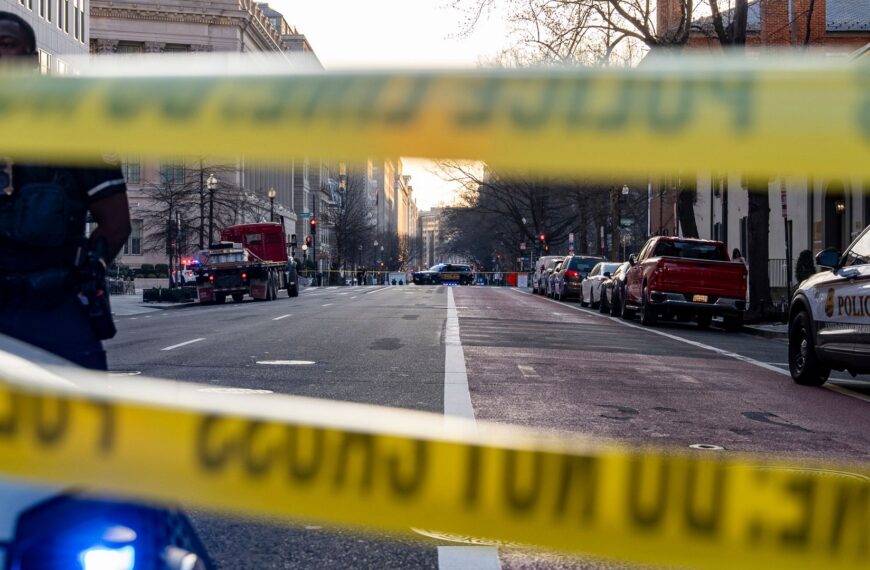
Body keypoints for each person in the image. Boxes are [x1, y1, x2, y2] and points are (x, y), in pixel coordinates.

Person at [0, 12, 131, 370]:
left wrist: (85, 274)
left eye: (6, 45)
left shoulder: (73, 126)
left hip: (52, 309)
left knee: (80, 420)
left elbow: (116, 222)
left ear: (31, 61)